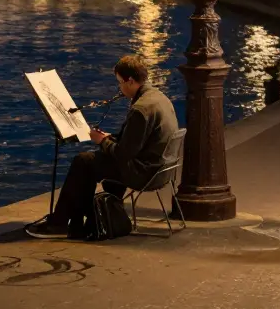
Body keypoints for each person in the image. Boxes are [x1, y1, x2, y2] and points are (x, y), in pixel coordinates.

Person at [25, 55, 179, 239]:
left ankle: (60, 222)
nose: (120, 88)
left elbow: (123, 154)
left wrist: (102, 141)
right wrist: (109, 138)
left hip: (144, 172)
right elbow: (136, 140)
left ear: (130, 80)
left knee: (83, 161)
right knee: (90, 162)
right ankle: (78, 222)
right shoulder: (158, 97)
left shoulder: (141, 109)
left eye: (120, 83)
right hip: (161, 168)